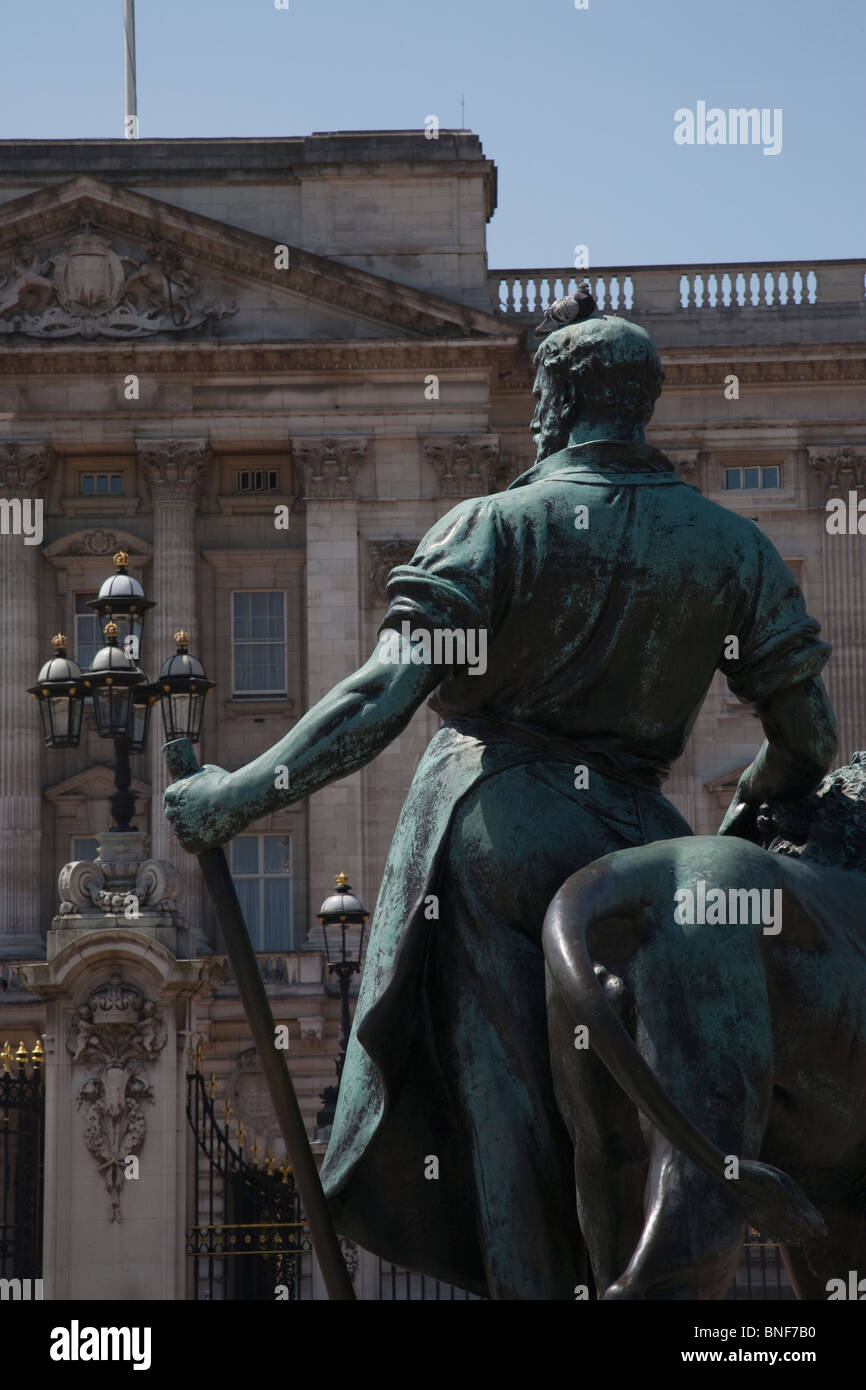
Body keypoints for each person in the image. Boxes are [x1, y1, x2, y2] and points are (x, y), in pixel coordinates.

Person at [165, 314, 836, 1299]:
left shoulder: (494, 525)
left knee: (512, 1134)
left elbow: (376, 699)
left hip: (501, 823)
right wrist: (747, 815)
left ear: (551, 403)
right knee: (624, 1142)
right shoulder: (728, 545)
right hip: (644, 845)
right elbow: (808, 742)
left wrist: (232, 793)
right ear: (641, 406)